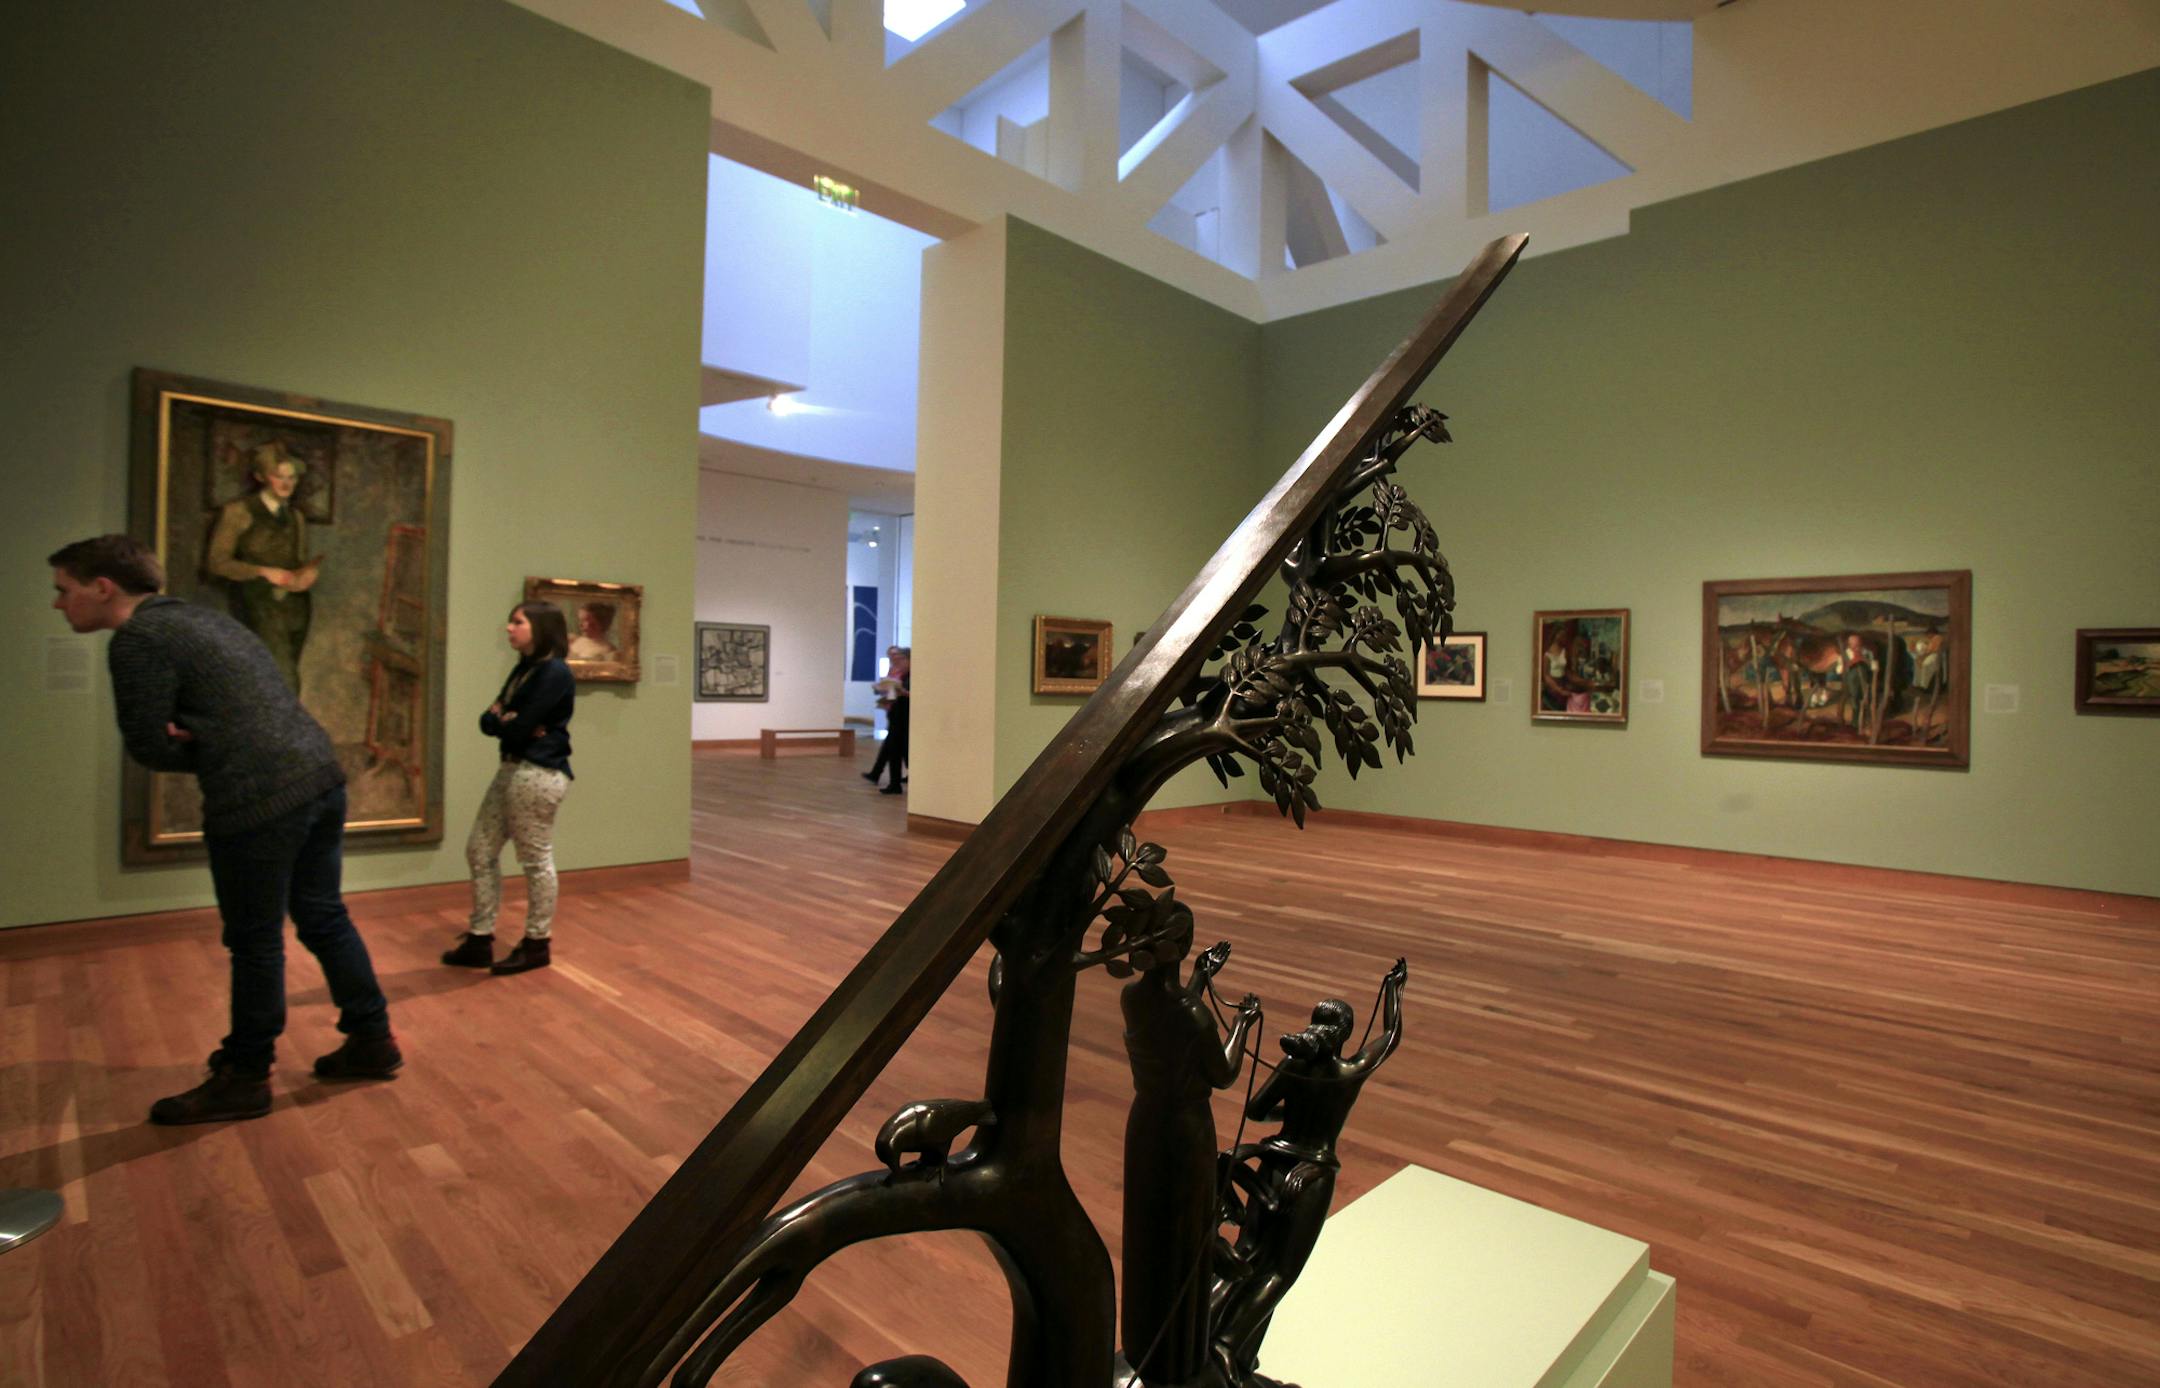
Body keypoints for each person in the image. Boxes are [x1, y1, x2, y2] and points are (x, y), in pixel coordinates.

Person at [49, 534, 398, 1125]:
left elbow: (149, 744)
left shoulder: (138, 639)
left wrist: (203, 746)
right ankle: (372, 1039)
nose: (59, 604)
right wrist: (216, 740)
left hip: (257, 796)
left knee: (255, 939)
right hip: (318, 773)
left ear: (102, 587)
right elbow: (261, 704)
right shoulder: (204, 620)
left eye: (64, 590)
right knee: (322, 913)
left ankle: (245, 1075)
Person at [1210, 958, 1408, 1384]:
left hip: (1273, 1163)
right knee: (1280, 1270)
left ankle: (1209, 1336)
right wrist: (1394, 991)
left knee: (1247, 1254)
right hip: (1312, 1174)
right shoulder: (1348, 1073)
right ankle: (1228, 1344)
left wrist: (1295, 1111)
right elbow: (1389, 1037)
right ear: (1345, 1035)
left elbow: (1257, 1111)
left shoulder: (1292, 1066)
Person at [1119, 934, 1261, 1382]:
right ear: (1179, 949)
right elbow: (1223, 1072)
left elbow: (1174, 1026)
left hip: (1146, 1122)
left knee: (1149, 1230)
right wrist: (1244, 1023)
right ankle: (1178, 1361)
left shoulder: (1132, 997)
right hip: (1185, 1130)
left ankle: (1146, 1346)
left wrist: (1200, 976)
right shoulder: (1190, 1013)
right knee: (1183, 1233)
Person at [442, 602, 576, 975]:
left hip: (539, 772)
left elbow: (512, 725)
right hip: (512, 768)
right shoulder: (525, 670)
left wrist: (509, 721)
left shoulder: (554, 673)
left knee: (535, 860)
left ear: (541, 628)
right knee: (479, 850)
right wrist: (508, 721)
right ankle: (480, 937)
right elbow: (489, 720)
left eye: (518, 622)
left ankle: (537, 943)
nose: (508, 628)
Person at [204, 441, 320, 694]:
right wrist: (263, 572)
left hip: (295, 606)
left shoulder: (296, 518)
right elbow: (217, 564)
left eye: (292, 478)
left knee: (284, 676)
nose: (287, 484)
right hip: (256, 604)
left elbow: (298, 561)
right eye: (279, 477)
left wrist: (307, 576)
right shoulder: (238, 512)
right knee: (282, 680)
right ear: (260, 477)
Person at [861, 644, 902, 785]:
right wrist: (879, 688)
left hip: (900, 710)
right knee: (893, 744)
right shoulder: (892, 670)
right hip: (891, 708)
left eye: (896, 654)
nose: (893, 657)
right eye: (891, 654)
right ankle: (877, 774)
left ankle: (877, 773)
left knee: (892, 744)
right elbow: (888, 690)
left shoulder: (904, 671)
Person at [877, 647, 909, 795]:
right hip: (897, 714)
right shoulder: (902, 675)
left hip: (904, 717)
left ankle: (894, 782)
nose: (898, 662)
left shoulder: (912, 676)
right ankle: (894, 783)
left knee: (897, 749)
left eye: (901, 659)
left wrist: (903, 692)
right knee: (894, 750)